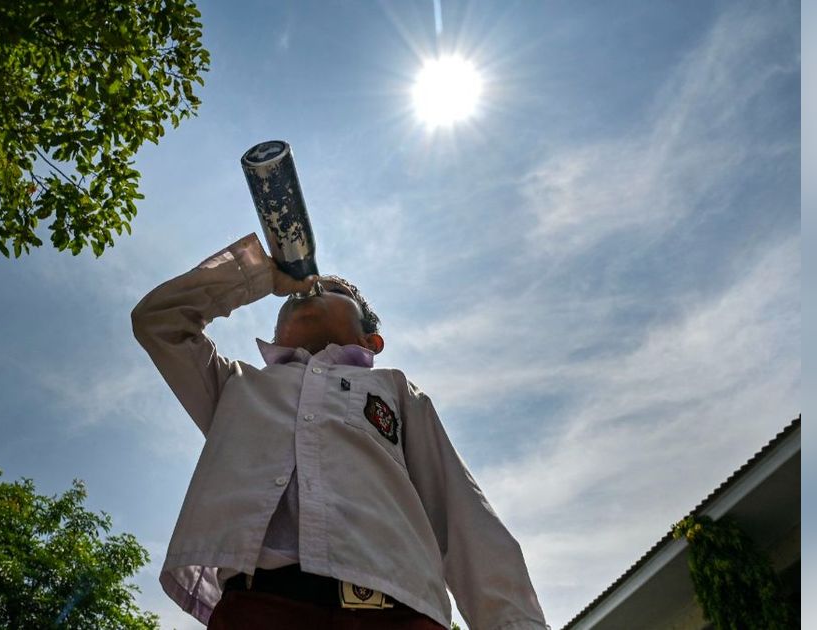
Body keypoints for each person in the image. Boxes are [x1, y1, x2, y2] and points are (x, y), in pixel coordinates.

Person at [132, 233, 548, 629]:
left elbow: (462, 512)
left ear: (371, 340)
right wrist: (260, 275)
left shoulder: (397, 391)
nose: (309, 290)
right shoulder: (238, 386)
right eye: (297, 291)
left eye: (335, 289)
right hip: (259, 607)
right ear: (276, 334)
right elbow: (160, 321)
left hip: (400, 611)